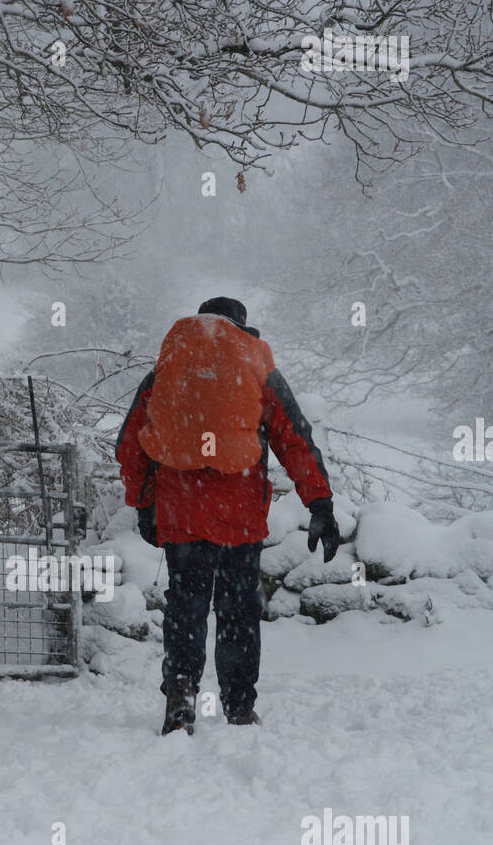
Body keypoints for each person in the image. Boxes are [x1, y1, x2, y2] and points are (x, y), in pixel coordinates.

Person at [116, 296, 339, 734]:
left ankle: (181, 694)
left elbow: (131, 444)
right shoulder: (256, 367)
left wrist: (144, 505)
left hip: (181, 509)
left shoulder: (168, 367)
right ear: (242, 326)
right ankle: (237, 706)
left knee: (186, 607)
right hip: (238, 512)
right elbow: (295, 439)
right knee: (238, 610)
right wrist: (320, 504)